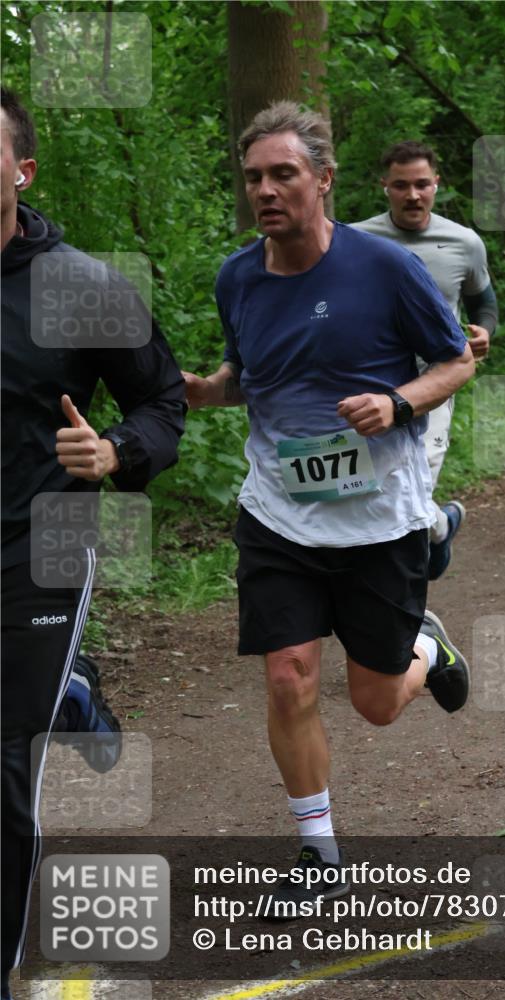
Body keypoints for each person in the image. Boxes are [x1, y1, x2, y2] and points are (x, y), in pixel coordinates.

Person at [183, 101, 475, 914]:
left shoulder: (384, 269)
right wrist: (204, 391)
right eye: (253, 177)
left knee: (376, 705)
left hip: (377, 518)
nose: (264, 190)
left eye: (282, 174)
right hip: (279, 514)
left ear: (324, 180)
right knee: (288, 677)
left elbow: (455, 362)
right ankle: (318, 852)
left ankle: (425, 647)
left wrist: (398, 402)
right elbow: (248, 376)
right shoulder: (237, 277)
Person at [1, 88, 186, 999]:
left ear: (22, 172)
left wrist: (115, 450)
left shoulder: (80, 286)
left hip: (37, 548)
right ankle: (70, 694)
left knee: (2, 758)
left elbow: (162, 400)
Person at [352, 141, 498, 579]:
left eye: (421, 184)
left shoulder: (464, 242)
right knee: (370, 489)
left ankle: (406, 598)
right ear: (385, 186)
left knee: (413, 491)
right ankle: (440, 527)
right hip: (367, 383)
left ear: (436, 184)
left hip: (434, 382)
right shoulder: (354, 240)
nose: (413, 195)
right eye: (401, 185)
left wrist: (484, 331)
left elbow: (484, 303)